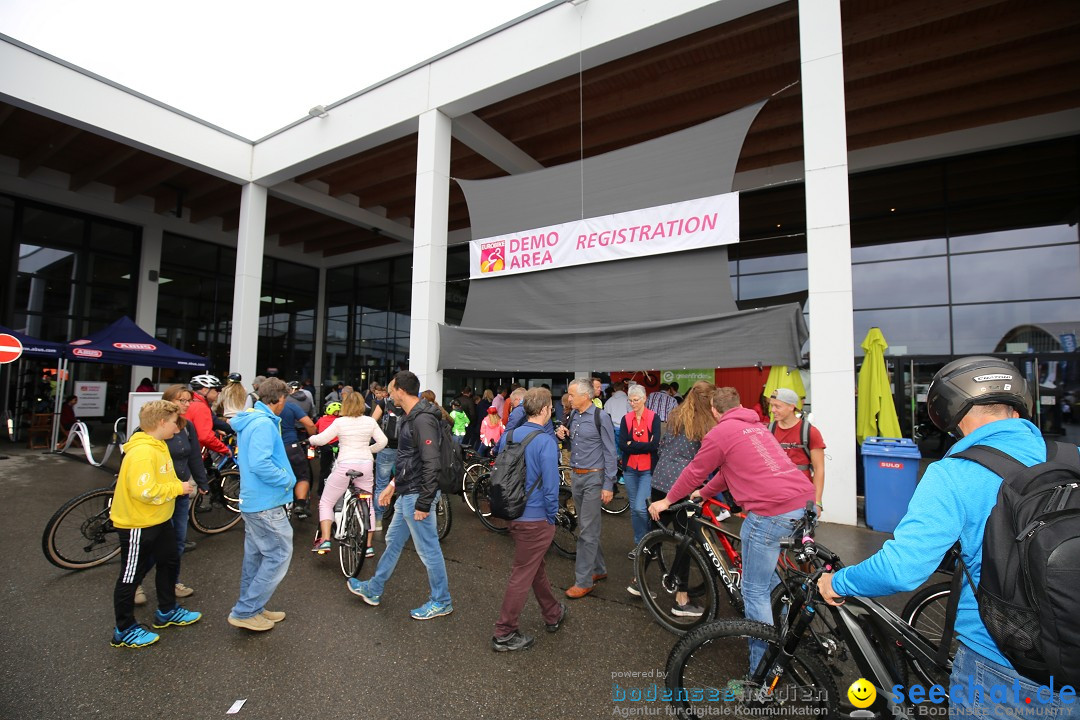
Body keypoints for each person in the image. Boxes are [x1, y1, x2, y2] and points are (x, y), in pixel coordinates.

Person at [817, 357, 1072, 716]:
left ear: (949, 408)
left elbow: (901, 569)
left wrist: (839, 582)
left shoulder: (955, 473)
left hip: (1003, 669)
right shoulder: (1071, 456)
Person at [649, 387, 814, 669]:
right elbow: (726, 473)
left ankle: (763, 670)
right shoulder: (758, 428)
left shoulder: (720, 433)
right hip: (802, 504)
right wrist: (702, 494)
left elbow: (694, 472)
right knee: (774, 583)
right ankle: (786, 636)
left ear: (714, 410)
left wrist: (667, 500)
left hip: (771, 512)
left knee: (754, 592)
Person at [347, 371, 453, 621]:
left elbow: (431, 463)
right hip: (408, 492)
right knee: (393, 540)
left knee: (428, 550)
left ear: (401, 391)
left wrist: (424, 502)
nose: (388, 393)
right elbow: (411, 460)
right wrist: (393, 485)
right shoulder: (411, 416)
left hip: (417, 495)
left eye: (391, 389)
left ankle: (442, 601)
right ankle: (373, 589)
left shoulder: (422, 420)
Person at [109, 400, 200, 649]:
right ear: (161, 422)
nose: (178, 429)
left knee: (170, 562)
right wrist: (177, 488)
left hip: (160, 520)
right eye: (174, 423)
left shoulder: (158, 446)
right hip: (138, 523)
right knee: (130, 576)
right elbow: (144, 491)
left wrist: (177, 486)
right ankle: (124, 629)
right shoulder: (143, 452)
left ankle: (167, 611)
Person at [492, 388, 568, 652]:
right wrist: (551, 517)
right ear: (546, 409)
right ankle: (504, 631)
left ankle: (552, 612)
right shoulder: (545, 441)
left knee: (534, 566)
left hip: (512, 512)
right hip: (535, 517)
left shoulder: (510, 435)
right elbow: (551, 487)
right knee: (523, 573)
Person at [632, 380, 716, 600]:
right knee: (685, 541)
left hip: (659, 478)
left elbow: (661, 446)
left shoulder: (675, 415)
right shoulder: (706, 423)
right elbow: (707, 458)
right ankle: (682, 597)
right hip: (683, 485)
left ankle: (637, 581)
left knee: (654, 535)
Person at [227, 377, 296, 632]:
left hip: (255, 499)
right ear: (277, 400)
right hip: (266, 501)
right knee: (279, 554)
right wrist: (287, 479)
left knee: (256, 557)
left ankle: (252, 606)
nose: (285, 404)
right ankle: (246, 610)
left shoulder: (253, 420)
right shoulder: (264, 425)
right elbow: (260, 464)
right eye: (284, 399)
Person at [555, 378, 617, 598]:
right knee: (587, 526)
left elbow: (610, 452)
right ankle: (598, 569)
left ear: (585, 396)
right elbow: (579, 440)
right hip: (577, 476)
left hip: (593, 478)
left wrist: (608, 484)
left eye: (572, 395)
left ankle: (583, 581)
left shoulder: (601, 417)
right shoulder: (574, 416)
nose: (568, 398)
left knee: (587, 531)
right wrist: (564, 433)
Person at [308, 392, 387, 556]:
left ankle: (325, 540)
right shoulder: (370, 421)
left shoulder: (340, 422)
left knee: (326, 502)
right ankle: (369, 546)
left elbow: (322, 440)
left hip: (345, 465)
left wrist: (311, 439)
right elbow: (383, 441)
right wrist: (368, 450)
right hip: (365, 465)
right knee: (368, 503)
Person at [767, 387, 826, 514]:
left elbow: (818, 469)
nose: (772, 410)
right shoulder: (768, 430)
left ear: (791, 407)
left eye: (777, 406)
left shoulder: (810, 432)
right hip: (774, 497)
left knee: (799, 534)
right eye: (772, 406)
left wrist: (817, 502)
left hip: (801, 497)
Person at [619, 384, 660, 559]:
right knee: (635, 510)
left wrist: (632, 445)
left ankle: (650, 541)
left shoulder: (653, 418)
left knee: (641, 509)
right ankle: (640, 544)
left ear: (644, 399)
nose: (633, 403)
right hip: (630, 470)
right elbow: (622, 445)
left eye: (636, 400)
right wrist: (642, 446)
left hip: (646, 470)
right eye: (630, 400)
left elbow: (654, 445)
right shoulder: (626, 419)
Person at [280, 384, 318, 519]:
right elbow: (310, 424)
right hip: (291, 445)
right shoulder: (291, 406)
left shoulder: (263, 407)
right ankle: (301, 503)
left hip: (273, 446)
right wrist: (312, 436)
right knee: (302, 475)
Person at [370, 393, 404, 530]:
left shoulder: (384, 402)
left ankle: (378, 520)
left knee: (381, 484)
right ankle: (401, 519)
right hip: (403, 449)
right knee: (402, 482)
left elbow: (372, 421)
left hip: (386, 448)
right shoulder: (406, 402)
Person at [187, 374, 231, 457]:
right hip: (193, 452)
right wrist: (224, 449)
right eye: (217, 389)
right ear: (204, 390)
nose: (219, 393)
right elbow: (205, 437)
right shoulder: (201, 407)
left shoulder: (191, 402)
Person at [313, 401, 341, 495]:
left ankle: (320, 491)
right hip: (336, 445)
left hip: (325, 446)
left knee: (324, 469)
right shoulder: (340, 421)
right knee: (339, 466)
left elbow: (315, 429)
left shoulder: (321, 419)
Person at [604, 381, 630, 446]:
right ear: (623, 388)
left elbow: (605, 416)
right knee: (626, 448)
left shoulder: (609, 401)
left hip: (613, 428)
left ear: (614, 389)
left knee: (615, 449)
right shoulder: (628, 400)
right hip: (626, 427)